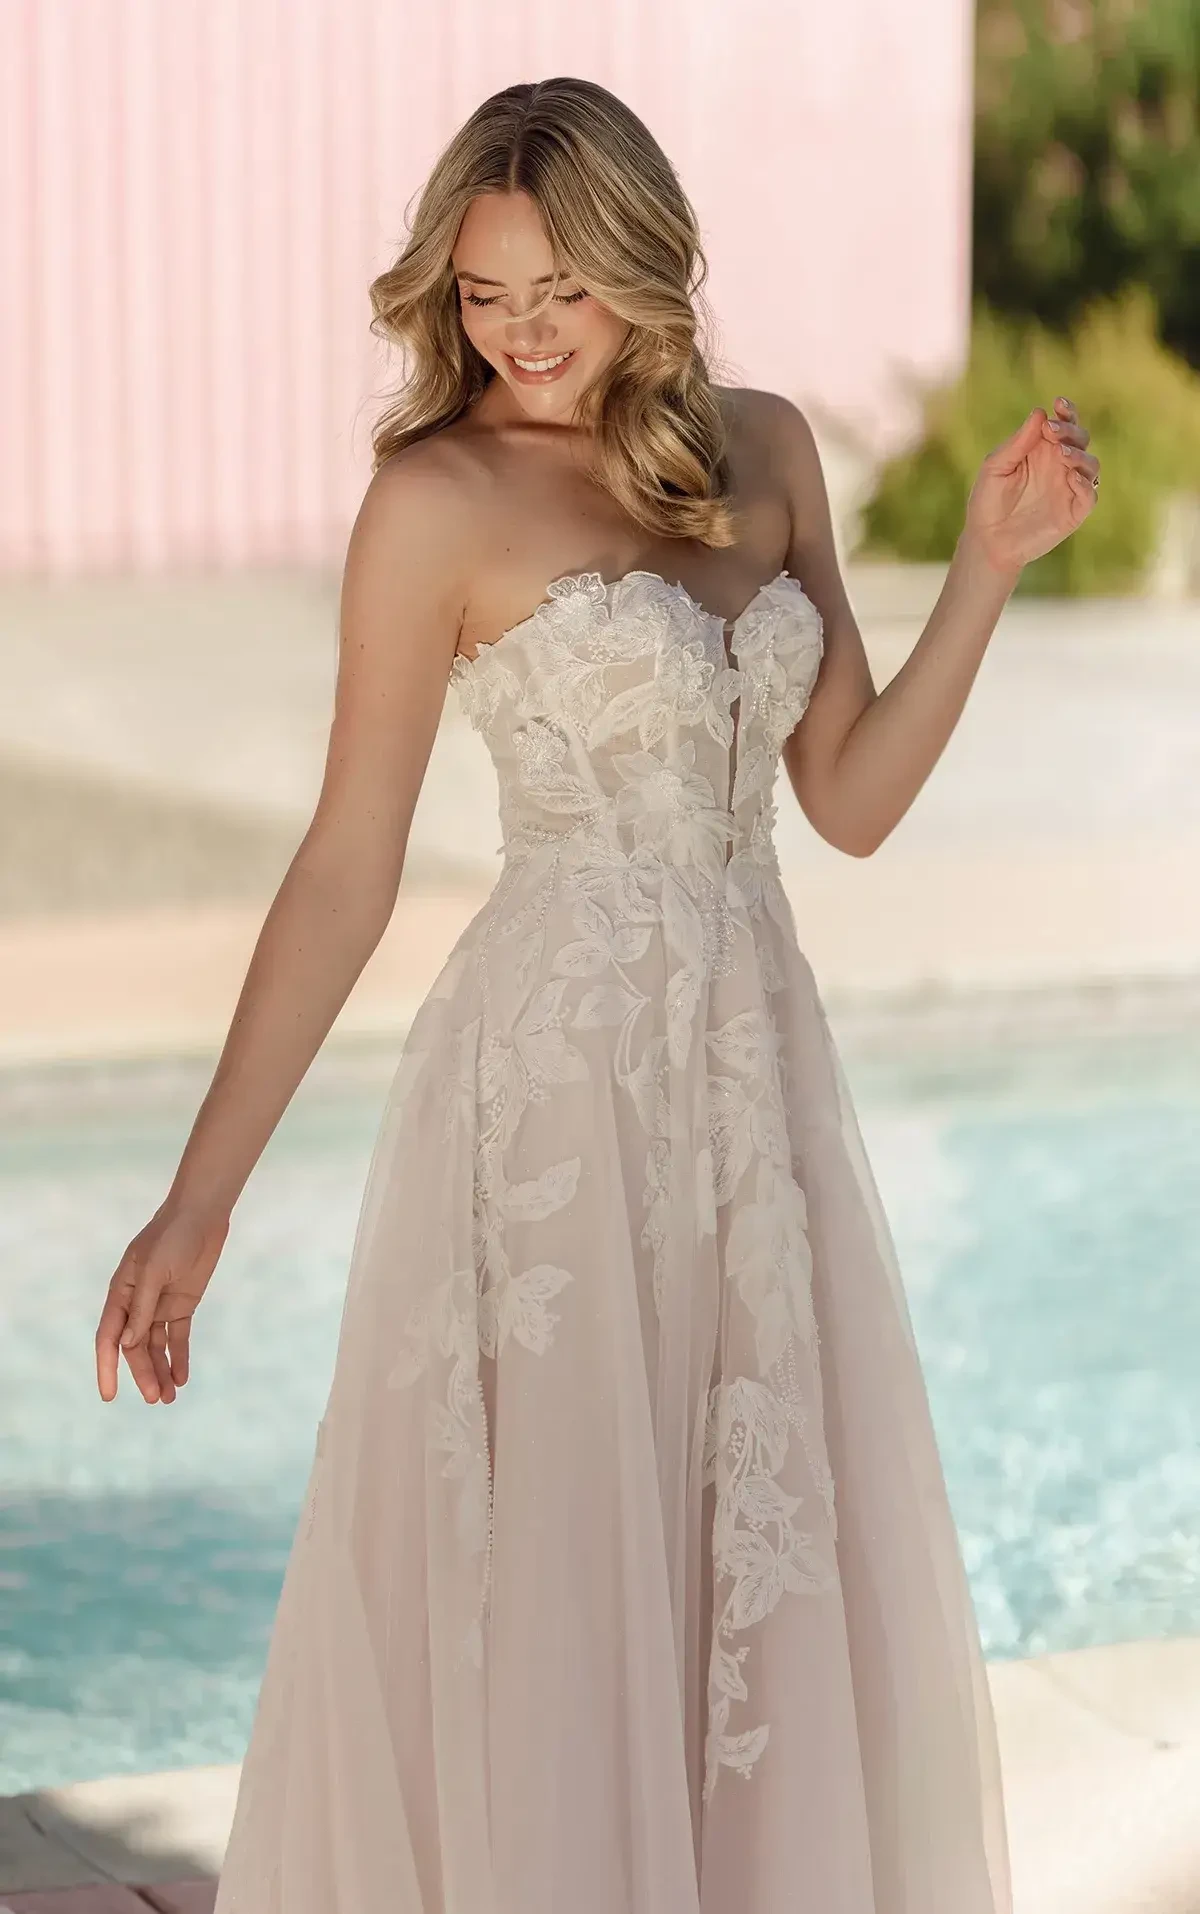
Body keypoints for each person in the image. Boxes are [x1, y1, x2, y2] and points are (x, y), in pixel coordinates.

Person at [95, 75, 1099, 1914]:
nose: (525, 334)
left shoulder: (769, 448)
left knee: (747, 1572)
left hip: (752, 1089)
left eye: (559, 287)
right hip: (550, 1110)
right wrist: (199, 1191)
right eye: (484, 297)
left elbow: (851, 801)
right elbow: (346, 864)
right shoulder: (436, 501)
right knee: (564, 1591)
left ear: (647, 261)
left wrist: (989, 565)